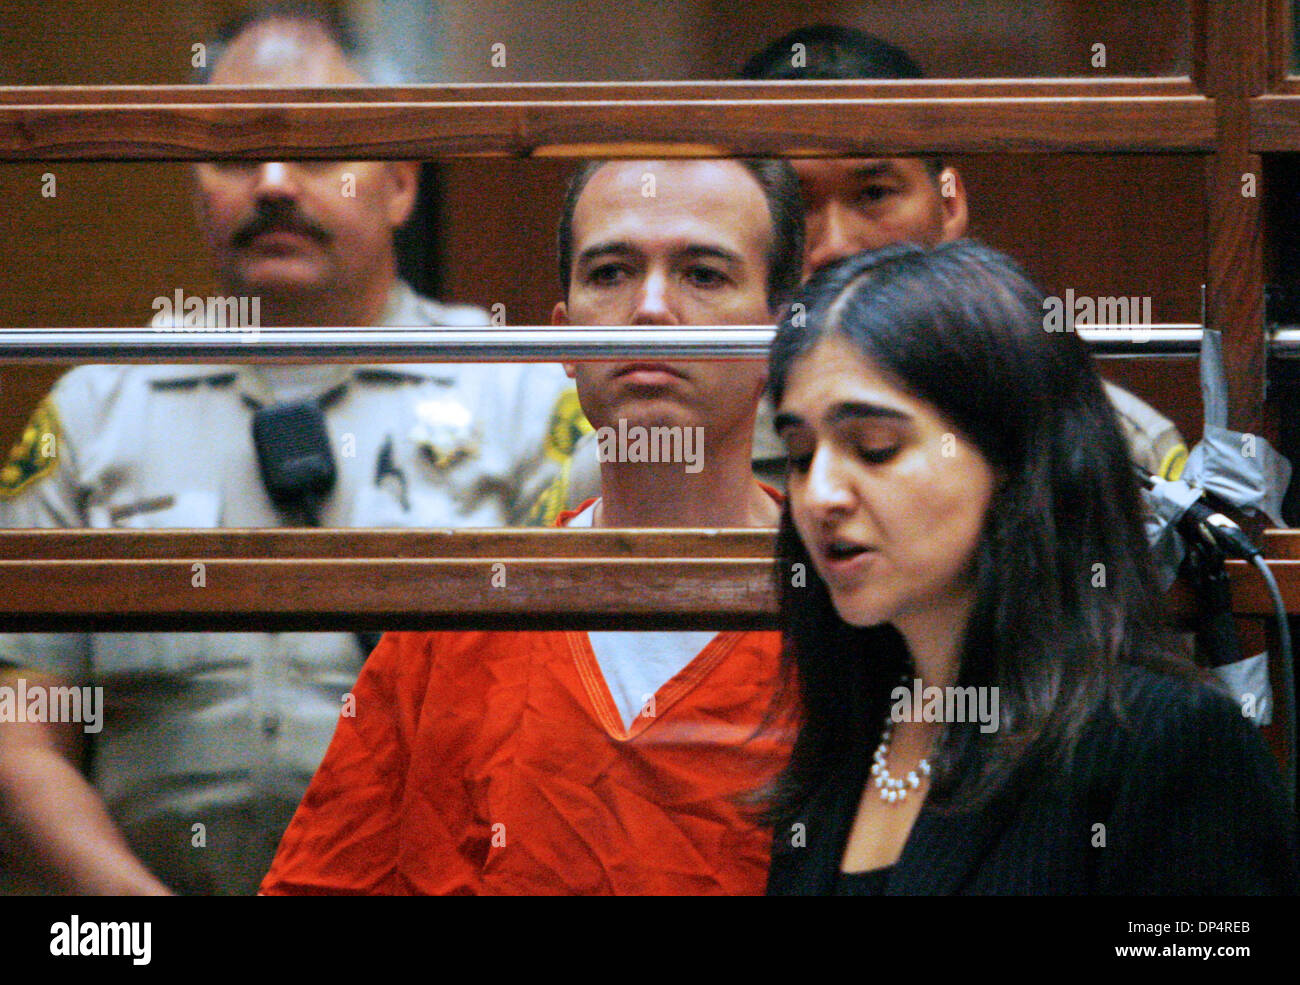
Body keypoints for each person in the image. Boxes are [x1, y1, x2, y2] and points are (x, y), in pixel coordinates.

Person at [0, 5, 575, 896]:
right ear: (193, 182)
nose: (272, 183)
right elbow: (19, 732)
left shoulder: (521, 394)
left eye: (315, 149)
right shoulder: (91, 408)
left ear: (400, 179)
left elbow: (577, 725)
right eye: (233, 152)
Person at [259, 157, 805, 895]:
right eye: (610, 273)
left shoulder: (845, 607)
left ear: (779, 337)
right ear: (565, 337)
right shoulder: (454, 620)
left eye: (703, 274)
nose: (649, 308)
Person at [762, 239, 1298, 895]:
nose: (819, 495)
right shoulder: (845, 740)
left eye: (874, 447)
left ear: (1013, 454)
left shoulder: (1170, 743)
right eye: (799, 452)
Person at [533, 25, 1186, 522]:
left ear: (949, 202)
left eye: (874, 193)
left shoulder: (1089, 435)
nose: (836, 247)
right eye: (799, 203)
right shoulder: (627, 454)